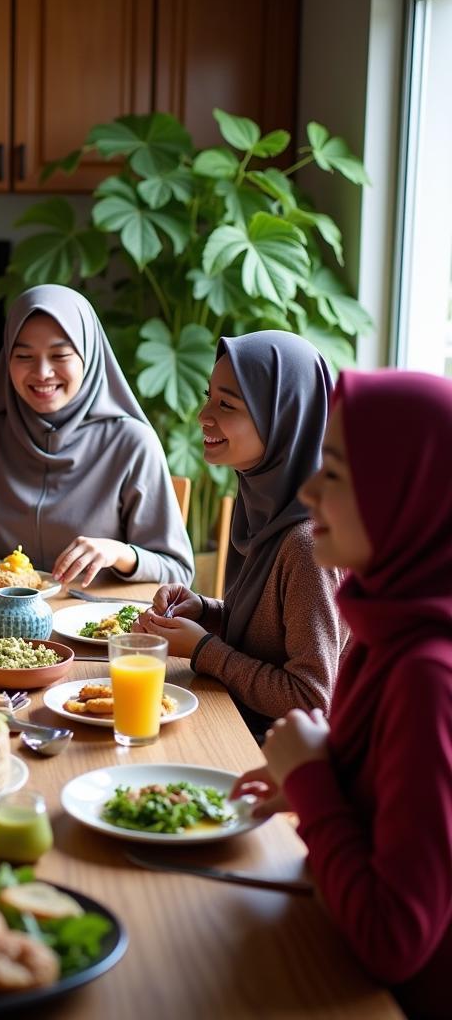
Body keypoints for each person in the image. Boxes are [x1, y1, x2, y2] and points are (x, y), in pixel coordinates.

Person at [232, 370, 452, 1020]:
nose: (307, 491)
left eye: (335, 473)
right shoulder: (385, 621)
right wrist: (327, 776)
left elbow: (393, 944)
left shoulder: (427, 673)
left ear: (406, 495)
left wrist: (314, 783)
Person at [136, 331, 347, 732]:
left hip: (277, 761)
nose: (203, 415)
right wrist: (206, 611)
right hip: (238, 722)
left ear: (282, 417)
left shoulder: (309, 544)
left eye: (226, 404)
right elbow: (271, 635)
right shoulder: (265, 503)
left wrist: (202, 649)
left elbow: (311, 701)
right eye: (208, 395)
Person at [0, 284, 193, 586]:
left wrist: (120, 553)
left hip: (95, 626)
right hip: (0, 627)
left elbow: (178, 571)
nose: (42, 372)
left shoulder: (132, 443)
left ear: (89, 355)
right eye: (24, 356)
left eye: (60, 355)